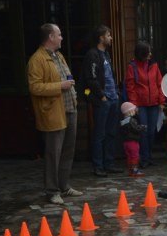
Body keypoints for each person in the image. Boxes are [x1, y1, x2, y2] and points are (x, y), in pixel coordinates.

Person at [27, 23, 82, 205]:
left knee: (67, 151)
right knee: (53, 154)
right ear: (50, 37)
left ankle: (64, 186)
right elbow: (35, 87)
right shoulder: (37, 60)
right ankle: (52, 191)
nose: (61, 38)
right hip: (53, 112)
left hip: (69, 108)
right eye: (59, 35)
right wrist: (60, 86)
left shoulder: (58, 56)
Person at [82, 25, 122, 177]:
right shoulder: (92, 55)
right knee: (99, 134)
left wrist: (116, 93)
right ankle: (98, 166)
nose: (111, 38)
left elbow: (110, 76)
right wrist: (101, 96)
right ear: (101, 38)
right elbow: (91, 78)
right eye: (108, 35)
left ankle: (109, 163)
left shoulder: (107, 55)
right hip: (103, 100)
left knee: (111, 132)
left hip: (113, 98)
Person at [125, 41, 164, 167]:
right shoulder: (132, 67)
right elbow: (130, 87)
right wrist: (134, 104)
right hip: (140, 104)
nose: (150, 54)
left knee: (152, 131)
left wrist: (161, 101)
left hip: (154, 103)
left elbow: (159, 83)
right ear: (142, 53)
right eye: (148, 52)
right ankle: (144, 158)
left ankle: (149, 156)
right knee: (143, 131)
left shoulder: (154, 65)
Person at [119, 101, 145, 176]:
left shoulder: (122, 121)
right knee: (135, 156)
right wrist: (143, 127)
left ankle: (130, 170)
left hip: (126, 142)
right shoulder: (131, 120)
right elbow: (136, 128)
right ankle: (135, 170)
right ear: (130, 111)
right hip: (133, 141)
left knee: (129, 156)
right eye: (133, 110)